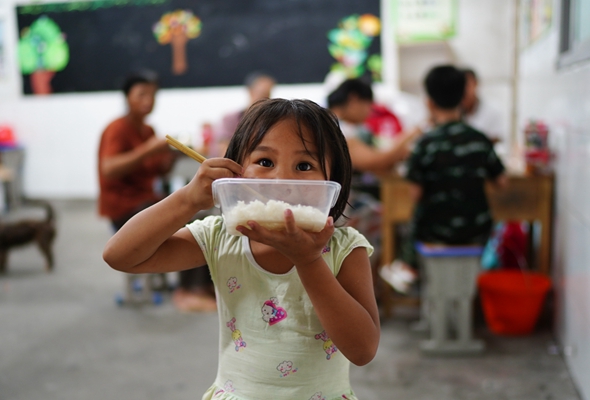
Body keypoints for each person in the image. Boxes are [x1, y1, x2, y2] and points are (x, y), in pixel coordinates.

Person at [103, 98, 380, 399]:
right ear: (235, 173)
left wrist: (309, 260)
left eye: (304, 165)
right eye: (265, 162)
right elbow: (120, 255)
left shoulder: (344, 247)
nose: (281, 180)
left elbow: (363, 349)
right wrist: (189, 200)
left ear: (333, 181)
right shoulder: (222, 238)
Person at [380, 65, 507, 293]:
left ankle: (409, 268)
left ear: (428, 102)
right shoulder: (480, 140)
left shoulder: (424, 145)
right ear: (463, 98)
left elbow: (415, 194)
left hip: (435, 232)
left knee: (419, 215)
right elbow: (502, 182)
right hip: (476, 230)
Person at [97, 71, 215, 312]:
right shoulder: (117, 129)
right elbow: (109, 169)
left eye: (152, 95)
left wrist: (171, 155)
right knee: (193, 220)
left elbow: (157, 171)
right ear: (127, 97)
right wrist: (149, 150)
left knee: (207, 218)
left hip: (147, 199)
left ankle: (202, 286)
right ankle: (189, 289)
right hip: (124, 205)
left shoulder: (147, 130)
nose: (148, 100)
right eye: (141, 94)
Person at [327, 78, 422, 280]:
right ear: (353, 100)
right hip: (335, 204)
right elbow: (377, 162)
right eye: (368, 105)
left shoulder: (344, 126)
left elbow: (379, 162)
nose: (370, 112)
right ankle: (364, 282)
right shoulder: (339, 127)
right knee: (384, 215)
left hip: (336, 198)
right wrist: (413, 132)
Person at [208, 72, 276, 158]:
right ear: (251, 92)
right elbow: (224, 152)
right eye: (263, 95)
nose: (267, 100)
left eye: (269, 95)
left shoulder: (271, 121)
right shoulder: (230, 119)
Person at [461, 68, 504, 143]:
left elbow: (498, 139)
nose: (464, 90)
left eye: (467, 85)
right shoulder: (452, 113)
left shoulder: (493, 111)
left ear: (476, 84)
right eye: (460, 86)